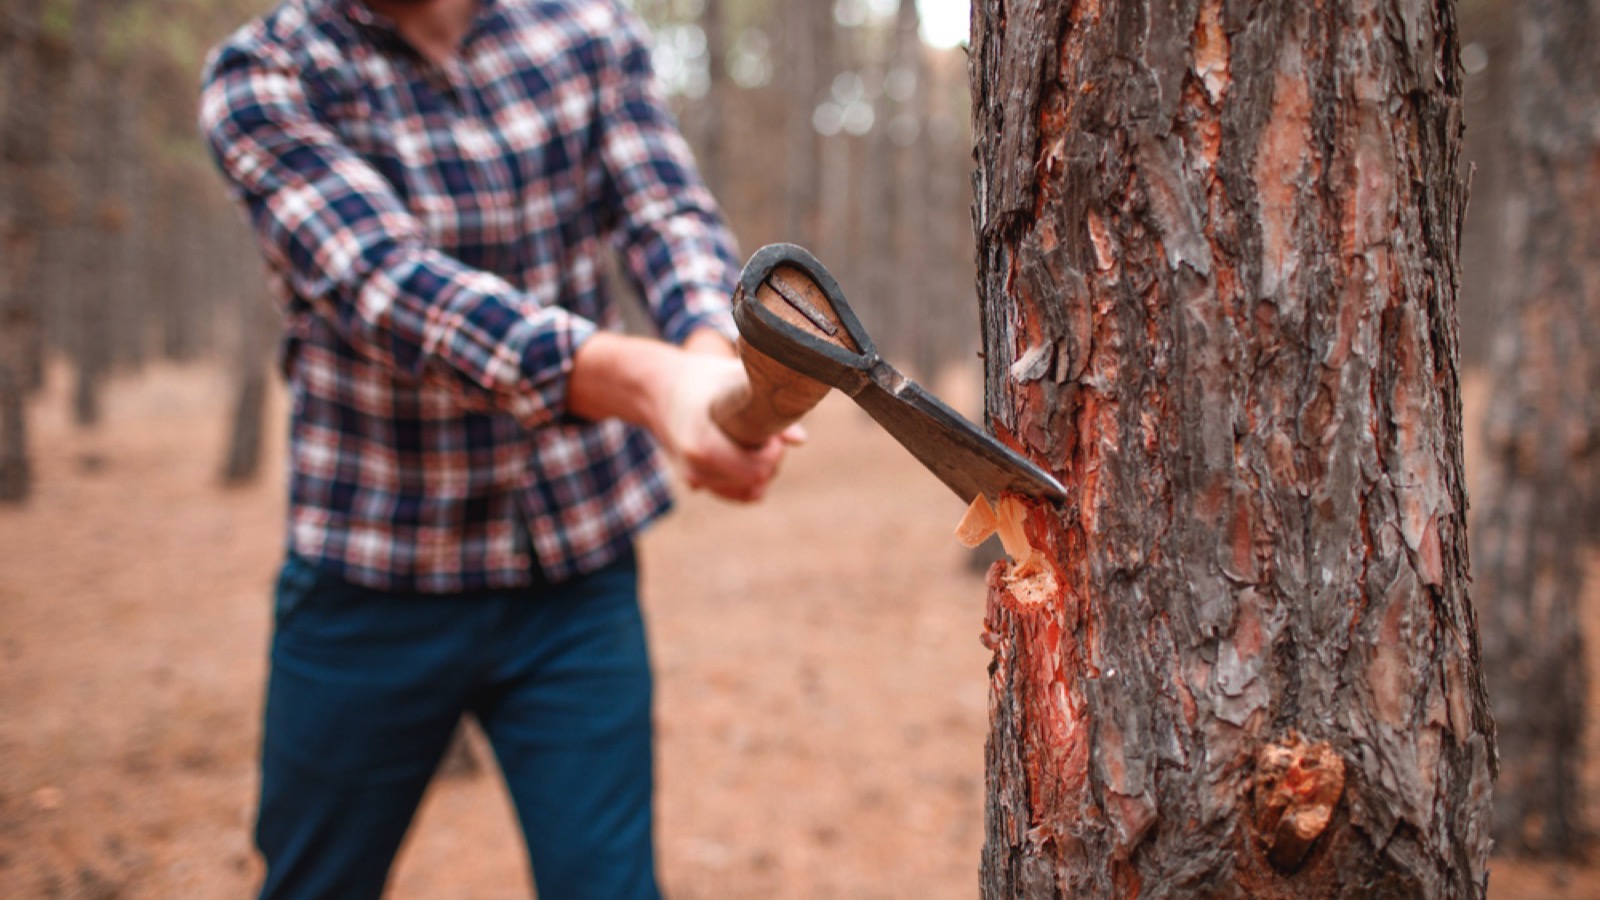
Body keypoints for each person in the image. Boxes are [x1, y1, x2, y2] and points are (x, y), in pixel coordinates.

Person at [198, 0, 799, 896]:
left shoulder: (587, 31)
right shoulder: (266, 76)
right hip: (372, 577)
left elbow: (665, 215)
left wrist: (713, 360)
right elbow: (389, 288)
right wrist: (649, 384)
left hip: (573, 575)